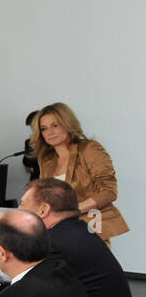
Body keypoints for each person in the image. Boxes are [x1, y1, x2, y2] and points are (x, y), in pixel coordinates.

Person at [31, 102, 128, 245]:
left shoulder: (89, 149)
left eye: (55, 125)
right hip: (56, 231)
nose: (49, 132)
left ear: (67, 123)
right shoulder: (46, 159)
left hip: (90, 227)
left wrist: (70, 212)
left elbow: (109, 192)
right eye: (44, 129)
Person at [22, 110, 41, 180]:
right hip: (36, 181)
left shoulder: (55, 140)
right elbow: (28, 168)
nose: (34, 129)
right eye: (31, 126)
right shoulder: (29, 142)